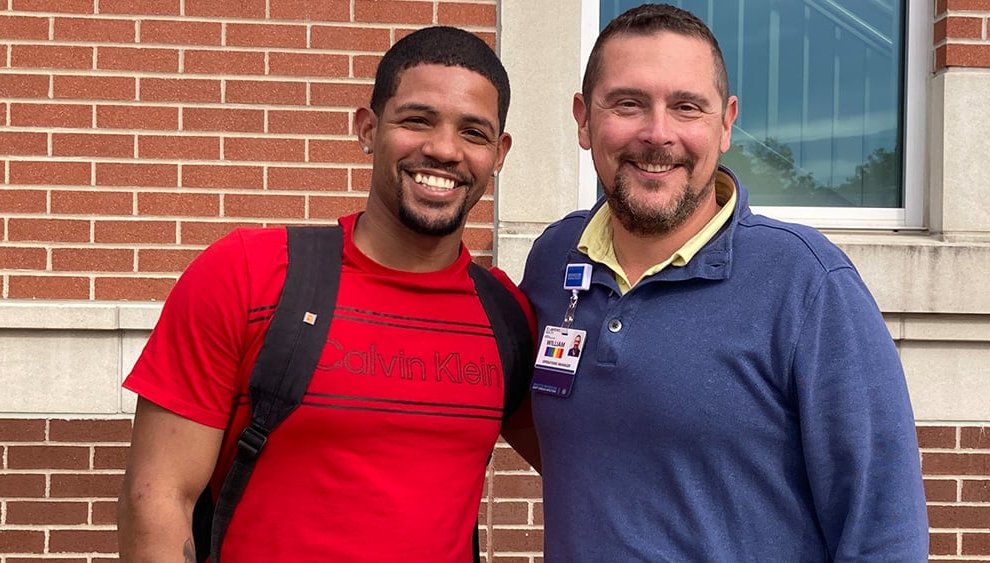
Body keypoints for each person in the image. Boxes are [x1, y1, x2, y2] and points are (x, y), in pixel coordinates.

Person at [519, 4, 929, 561]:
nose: (657, 133)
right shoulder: (553, 262)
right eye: (628, 104)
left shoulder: (807, 285)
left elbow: (884, 530)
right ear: (584, 119)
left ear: (727, 123)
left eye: (686, 107)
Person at [118, 26, 534, 562]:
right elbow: (155, 498)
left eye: (473, 133)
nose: (444, 149)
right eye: (417, 120)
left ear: (498, 153)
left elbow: (603, 462)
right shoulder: (248, 273)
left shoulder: (507, 317)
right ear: (368, 128)